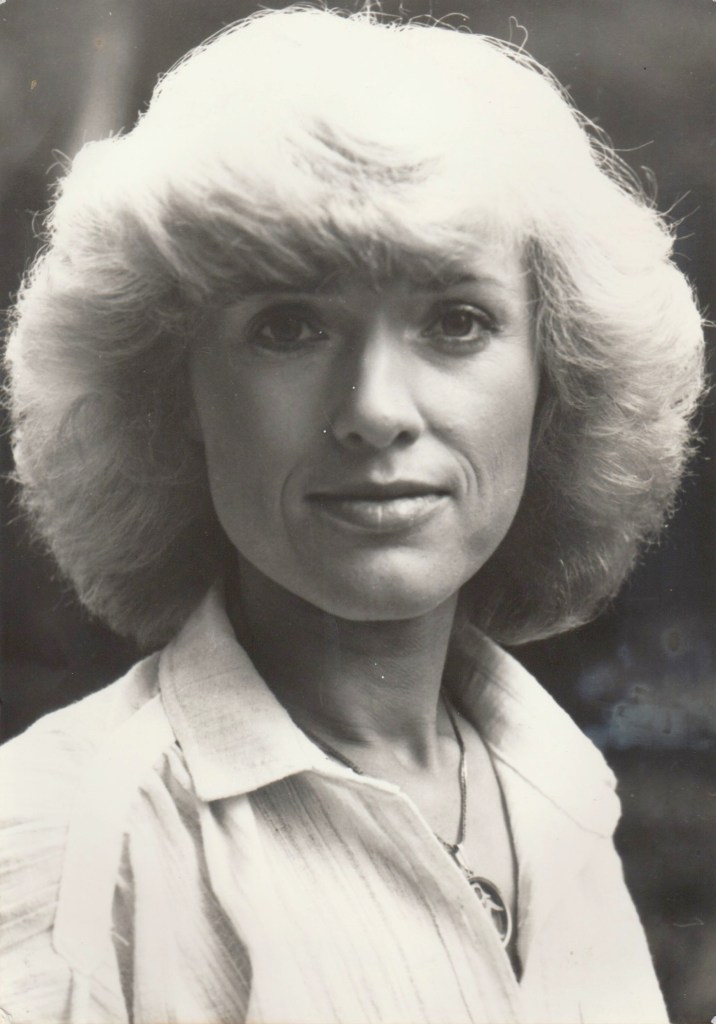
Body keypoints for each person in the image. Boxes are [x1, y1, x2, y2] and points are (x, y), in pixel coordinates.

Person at [0, 7, 706, 1023]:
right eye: (288, 326)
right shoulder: (66, 842)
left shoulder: (554, 784)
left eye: (455, 321)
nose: (375, 410)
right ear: (174, 394)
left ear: (555, 379)